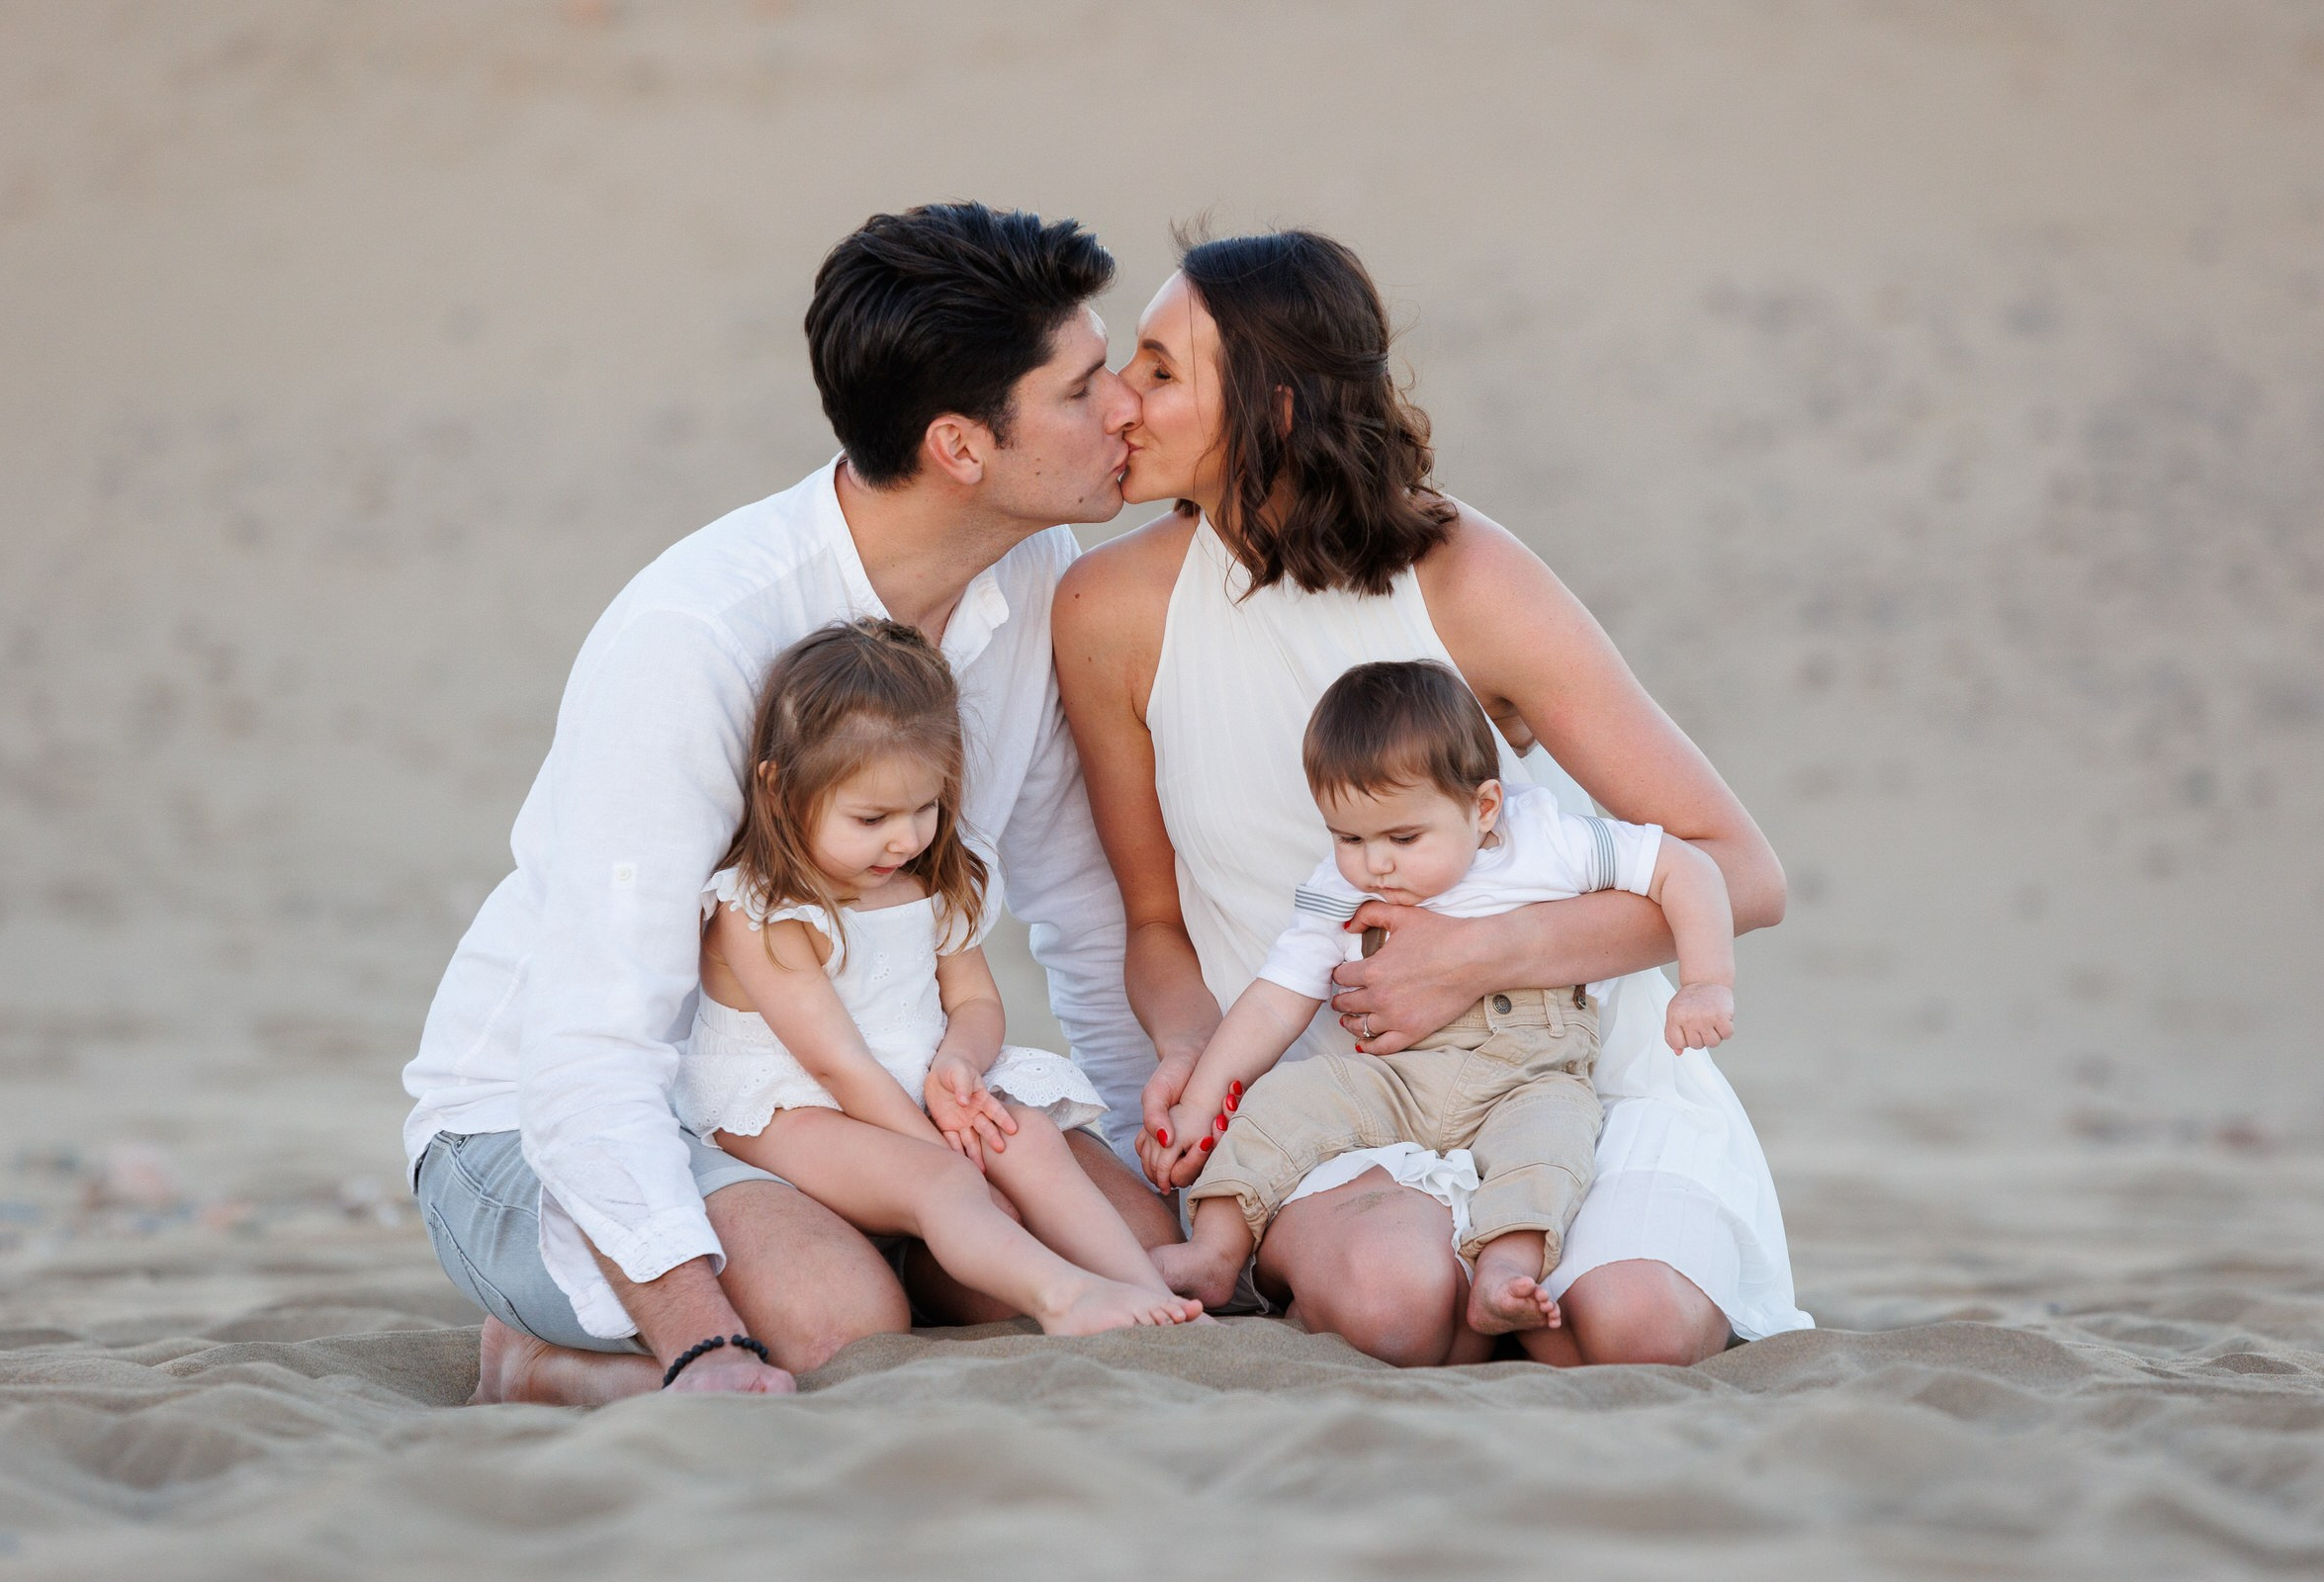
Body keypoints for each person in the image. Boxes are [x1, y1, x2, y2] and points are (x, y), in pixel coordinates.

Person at [402, 203, 1176, 1404]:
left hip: (876, 1100)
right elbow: (591, 1049)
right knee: (837, 1320)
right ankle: (551, 1360)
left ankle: (881, 1240)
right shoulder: (698, 636)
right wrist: (700, 1341)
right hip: (546, 1124)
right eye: (1083, 390)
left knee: (1116, 1231)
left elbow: (1077, 905)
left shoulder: (1030, 572)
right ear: (962, 447)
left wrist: (1131, 1161)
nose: (1127, 402)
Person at [1054, 228, 1813, 1368]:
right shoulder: (1107, 610)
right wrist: (1190, 1046)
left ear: (1279, 408)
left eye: (1160, 371)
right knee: (1397, 1300)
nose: (1118, 399)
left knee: (1635, 1325)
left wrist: (1484, 953)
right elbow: (1155, 923)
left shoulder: (1467, 577)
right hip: (1332, 1089)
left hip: (1561, 1066)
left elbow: (1742, 871)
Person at [1141, 659, 1737, 1350]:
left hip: (1530, 1076)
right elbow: (1278, 999)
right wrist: (1201, 1099)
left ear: (1483, 808)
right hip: (1398, 1074)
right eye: (1349, 838)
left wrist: (1705, 981)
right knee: (1286, 1101)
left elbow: (1686, 868)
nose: (1374, 864)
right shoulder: (1338, 886)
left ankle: (1504, 1271)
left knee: (1551, 1146)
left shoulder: (1548, 842)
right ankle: (1216, 1251)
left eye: (1402, 839)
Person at [679, 618, 1200, 1337]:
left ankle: (1152, 1297)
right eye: (871, 817)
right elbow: (835, 1063)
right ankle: (1064, 1297)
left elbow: (977, 1001)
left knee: (1031, 1140)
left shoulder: (928, 880)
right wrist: (948, 1153)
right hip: (789, 1104)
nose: (905, 838)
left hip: (909, 1083)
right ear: (777, 790)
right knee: (949, 1179)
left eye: (925, 808)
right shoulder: (764, 909)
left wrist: (959, 1061)